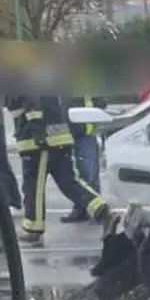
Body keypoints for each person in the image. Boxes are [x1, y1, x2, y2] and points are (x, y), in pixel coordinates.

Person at [7, 93, 109, 246]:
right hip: (57, 138)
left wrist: (38, 133)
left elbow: (33, 105)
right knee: (69, 182)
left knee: (34, 187)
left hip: (39, 143)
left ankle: (33, 228)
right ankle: (102, 210)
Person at [61, 94, 108, 224]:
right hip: (73, 129)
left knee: (86, 172)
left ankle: (90, 208)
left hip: (83, 130)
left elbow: (99, 101)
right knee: (84, 170)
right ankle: (91, 208)